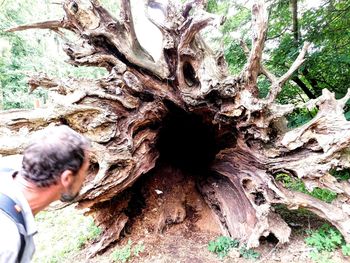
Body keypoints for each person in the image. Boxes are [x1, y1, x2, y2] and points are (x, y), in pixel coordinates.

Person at [0, 125, 90, 263]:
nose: (85, 178)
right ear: (66, 178)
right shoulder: (7, 241)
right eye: (85, 171)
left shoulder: (6, 171)